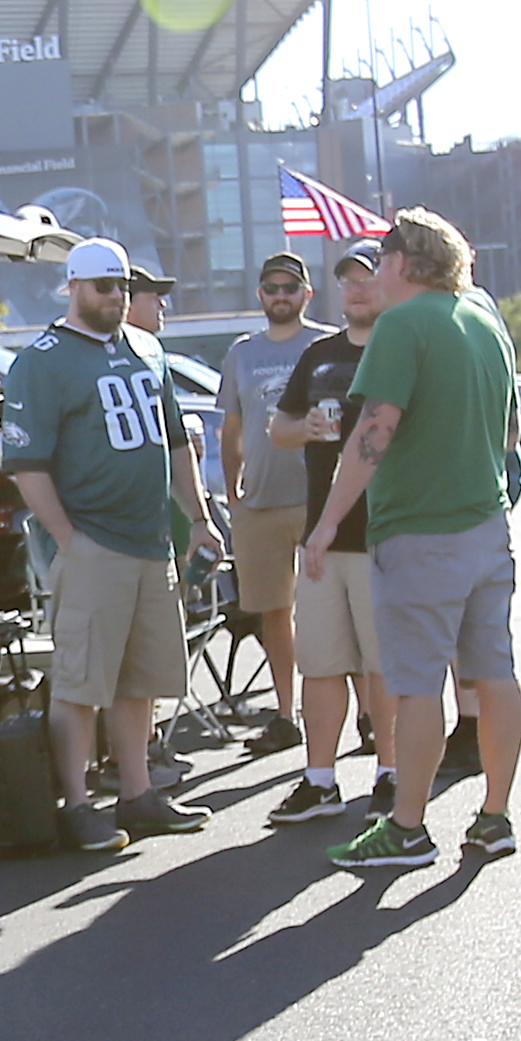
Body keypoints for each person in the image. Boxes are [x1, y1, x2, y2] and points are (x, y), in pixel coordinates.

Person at [303, 208, 521, 872]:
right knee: (494, 674)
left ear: (401, 262)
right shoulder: (483, 319)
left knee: (414, 685)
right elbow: (510, 430)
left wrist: (325, 524)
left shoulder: (402, 324)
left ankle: (406, 827)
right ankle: (494, 815)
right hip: (487, 524)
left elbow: (373, 432)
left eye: (381, 259)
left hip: (419, 534)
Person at [1, 239, 218, 854]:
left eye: (122, 285)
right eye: (102, 286)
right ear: (72, 287)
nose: (115, 297)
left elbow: (175, 441)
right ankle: (76, 803)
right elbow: (25, 463)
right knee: (80, 680)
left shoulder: (147, 348)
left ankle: (138, 792)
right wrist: (69, 539)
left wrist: (198, 519)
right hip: (93, 540)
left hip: (151, 542)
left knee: (139, 678)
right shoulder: (42, 361)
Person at [265, 246, 392, 823]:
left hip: (385, 536)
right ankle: (319, 780)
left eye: (367, 280)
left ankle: (392, 774)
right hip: (321, 539)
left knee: (383, 664)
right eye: (348, 282)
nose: (357, 291)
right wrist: (305, 427)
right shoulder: (318, 356)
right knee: (320, 664)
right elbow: (278, 427)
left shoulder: (402, 348)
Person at [215, 254, 333, 757]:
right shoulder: (241, 354)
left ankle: (366, 717)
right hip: (259, 505)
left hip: (320, 501)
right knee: (273, 615)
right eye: (271, 287)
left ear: (307, 294)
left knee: (331, 614)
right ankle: (287, 715)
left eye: (290, 287)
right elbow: (231, 428)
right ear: (260, 295)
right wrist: (232, 490)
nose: (280, 295)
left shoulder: (329, 345)